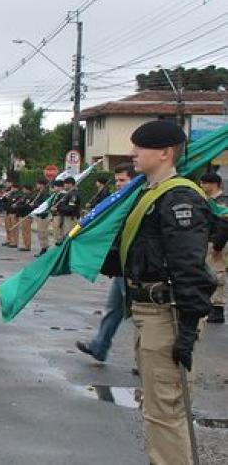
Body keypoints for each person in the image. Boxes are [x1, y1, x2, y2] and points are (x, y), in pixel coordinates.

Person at [102, 120, 215, 465]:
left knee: (166, 409)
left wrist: (186, 331)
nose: (133, 153)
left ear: (165, 153)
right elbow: (139, 255)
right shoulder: (147, 194)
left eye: (140, 147)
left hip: (169, 315)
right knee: (156, 407)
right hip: (148, 312)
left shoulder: (178, 198)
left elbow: (190, 269)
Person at [76, 163, 137, 361]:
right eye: (117, 180)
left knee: (140, 316)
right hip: (120, 267)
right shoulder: (120, 200)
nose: (118, 184)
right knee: (113, 309)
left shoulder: (136, 201)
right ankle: (99, 347)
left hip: (133, 268)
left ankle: (143, 359)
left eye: (123, 180)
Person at [199, 171, 227, 324]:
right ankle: (211, 306)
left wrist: (217, 247)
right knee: (209, 272)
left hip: (218, 242)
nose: (201, 186)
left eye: (204, 183)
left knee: (217, 273)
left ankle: (217, 309)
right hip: (209, 241)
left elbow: (224, 225)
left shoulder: (222, 201)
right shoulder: (208, 200)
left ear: (214, 184)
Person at [31, 178, 51, 256]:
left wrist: (35, 205)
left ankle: (44, 249)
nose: (37, 186)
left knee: (43, 232)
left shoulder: (45, 193)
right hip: (39, 215)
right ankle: (43, 247)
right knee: (40, 232)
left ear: (42, 185)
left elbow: (43, 205)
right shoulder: (39, 192)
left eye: (38, 184)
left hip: (43, 215)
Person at [11, 184, 34, 252]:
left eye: (24, 189)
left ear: (27, 189)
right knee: (24, 231)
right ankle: (25, 244)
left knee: (26, 231)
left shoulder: (30, 197)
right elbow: (20, 203)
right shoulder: (24, 196)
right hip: (22, 215)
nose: (23, 190)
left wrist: (17, 207)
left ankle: (27, 246)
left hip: (27, 215)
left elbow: (26, 206)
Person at [0, 181, 20, 248]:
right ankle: (9, 240)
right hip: (7, 212)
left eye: (13, 188)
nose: (12, 189)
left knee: (13, 228)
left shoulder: (18, 194)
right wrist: (8, 193)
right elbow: (1, 199)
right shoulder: (9, 193)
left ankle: (14, 241)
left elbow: (15, 202)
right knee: (8, 227)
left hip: (13, 213)